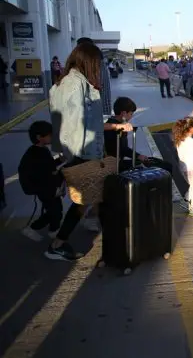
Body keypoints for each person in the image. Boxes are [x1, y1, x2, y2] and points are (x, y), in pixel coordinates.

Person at [48, 42, 133, 261]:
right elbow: (74, 125)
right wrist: (82, 159)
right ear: (89, 61)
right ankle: (113, 248)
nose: (99, 68)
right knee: (88, 201)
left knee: (90, 201)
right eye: (97, 63)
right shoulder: (75, 85)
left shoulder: (73, 83)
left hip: (81, 154)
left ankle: (112, 246)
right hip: (81, 154)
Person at [18, 120, 65, 242]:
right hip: (44, 189)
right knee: (55, 211)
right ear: (39, 137)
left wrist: (59, 162)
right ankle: (37, 229)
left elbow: (49, 167)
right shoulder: (36, 154)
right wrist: (54, 187)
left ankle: (53, 229)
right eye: (50, 135)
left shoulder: (41, 151)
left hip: (46, 188)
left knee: (55, 210)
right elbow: (46, 173)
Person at [173, 117, 193, 216]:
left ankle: (186, 201)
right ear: (191, 129)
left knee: (192, 186)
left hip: (183, 168)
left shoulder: (179, 141)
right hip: (192, 168)